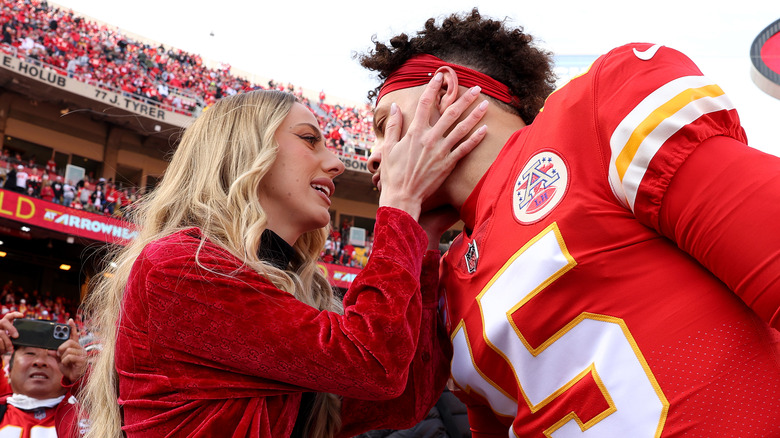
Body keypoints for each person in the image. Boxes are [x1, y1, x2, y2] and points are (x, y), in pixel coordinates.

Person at [360, 9, 780, 437]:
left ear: (444, 89)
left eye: (381, 126)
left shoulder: (591, 113)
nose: (374, 154)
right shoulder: (447, 280)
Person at [80, 88, 488, 438]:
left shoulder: (285, 284)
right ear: (244, 150)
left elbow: (402, 400)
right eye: (310, 139)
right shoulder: (178, 267)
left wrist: (425, 238)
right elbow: (370, 363)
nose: (336, 164)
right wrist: (398, 207)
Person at [0, 313, 88, 437]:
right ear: (8, 371)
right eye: (30, 353)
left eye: (51, 356)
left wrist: (84, 382)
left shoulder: (91, 415)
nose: (40, 362)